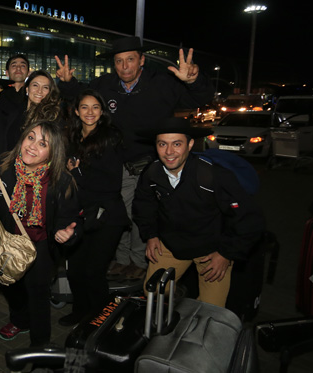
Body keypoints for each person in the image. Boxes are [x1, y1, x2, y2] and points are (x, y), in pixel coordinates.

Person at [55, 36, 214, 280]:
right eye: (119, 61)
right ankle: (120, 261)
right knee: (117, 216)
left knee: (142, 215)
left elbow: (199, 98)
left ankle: (139, 263)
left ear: (141, 60)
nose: (124, 66)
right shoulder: (105, 85)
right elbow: (81, 97)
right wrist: (66, 83)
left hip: (150, 165)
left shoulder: (162, 83)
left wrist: (193, 80)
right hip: (114, 166)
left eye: (130, 59)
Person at [133, 117, 264, 307]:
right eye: (163, 144)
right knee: (153, 291)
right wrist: (151, 234)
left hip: (211, 249)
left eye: (177, 144)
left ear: (190, 144)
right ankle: (177, 303)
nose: (169, 152)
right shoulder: (152, 173)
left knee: (210, 310)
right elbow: (144, 204)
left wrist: (226, 254)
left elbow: (250, 219)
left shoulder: (214, 176)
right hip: (173, 244)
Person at [0, 121, 81, 346]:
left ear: (53, 152)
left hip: (41, 247)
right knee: (11, 286)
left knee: (38, 296)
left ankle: (40, 347)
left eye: (43, 143)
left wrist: (68, 234)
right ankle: (19, 320)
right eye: (30, 137)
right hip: (7, 242)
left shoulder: (62, 182)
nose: (32, 146)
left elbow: (72, 222)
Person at [59, 89, 129, 326]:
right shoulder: (73, 137)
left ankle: (101, 322)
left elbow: (112, 183)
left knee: (94, 272)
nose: (90, 112)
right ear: (76, 111)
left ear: (102, 111)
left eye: (95, 107)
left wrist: (76, 172)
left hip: (107, 215)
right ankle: (81, 313)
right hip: (82, 214)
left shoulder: (110, 137)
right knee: (75, 271)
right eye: (85, 107)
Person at [7, 70, 63, 148]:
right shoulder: (14, 112)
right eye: (35, 85)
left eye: (45, 87)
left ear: (50, 92)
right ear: (27, 89)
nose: (39, 91)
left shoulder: (52, 117)